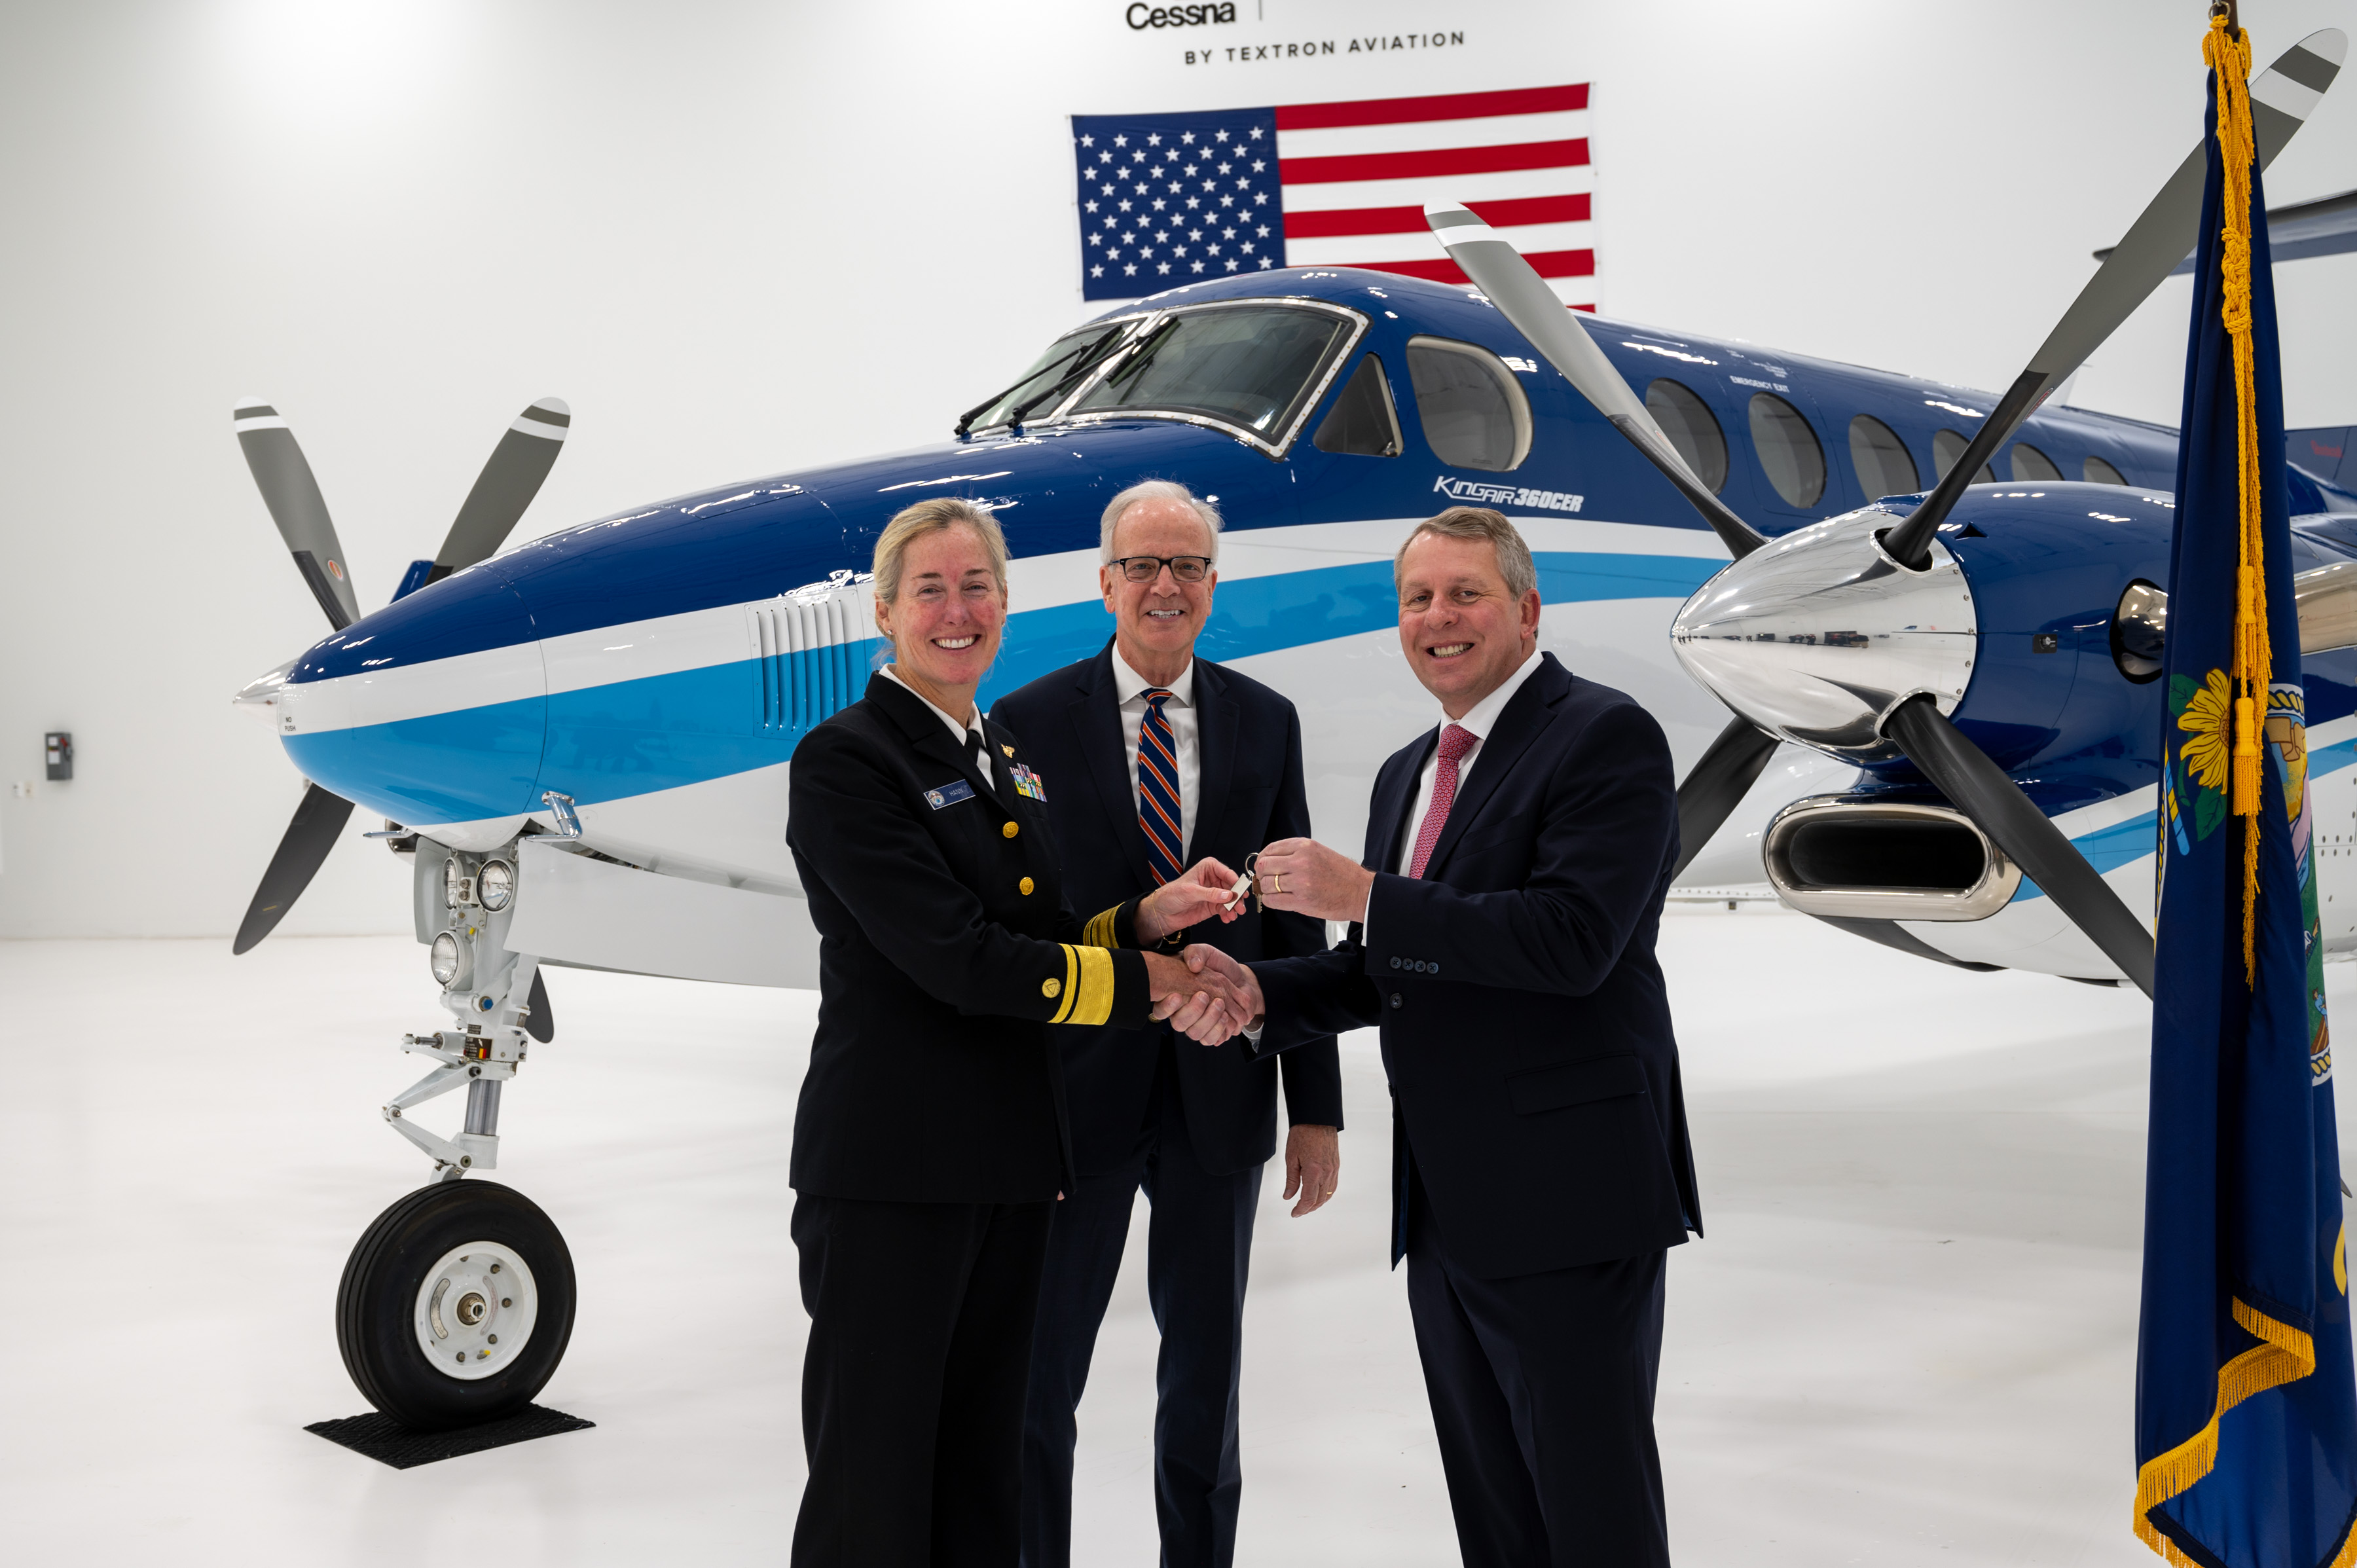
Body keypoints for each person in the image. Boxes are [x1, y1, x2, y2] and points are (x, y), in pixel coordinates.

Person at [1183, 506, 1702, 1568]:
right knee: (1495, 1514)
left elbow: (1572, 942)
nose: (1438, 618)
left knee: (1592, 1511)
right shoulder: (1407, 770)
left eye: (1466, 594)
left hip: (1570, 1196)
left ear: (1527, 609)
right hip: (1448, 1203)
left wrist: (1367, 894)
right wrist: (1258, 994)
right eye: (1417, 599)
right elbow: (1397, 965)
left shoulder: (1604, 735)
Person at [784, 496, 1252, 1568]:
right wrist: (1145, 983)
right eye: (931, 590)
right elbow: (961, 960)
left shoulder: (997, 753)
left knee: (984, 1485)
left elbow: (1038, 939)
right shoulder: (850, 761)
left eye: (978, 586)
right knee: (874, 1494)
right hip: (895, 1181)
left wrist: (1143, 921)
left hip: (1005, 1170)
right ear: (885, 614)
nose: (958, 611)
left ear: (1006, 602)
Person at [991, 480, 1343, 1568]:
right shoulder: (1025, 723)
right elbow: (1021, 925)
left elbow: (1297, 919)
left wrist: (1316, 1107)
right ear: (1104, 583)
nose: (1165, 586)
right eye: (1143, 565)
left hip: (1220, 1093)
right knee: (1037, 1379)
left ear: (1212, 586)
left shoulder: (1265, 719)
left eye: (1187, 565)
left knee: (1206, 1381)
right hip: (1073, 1092)